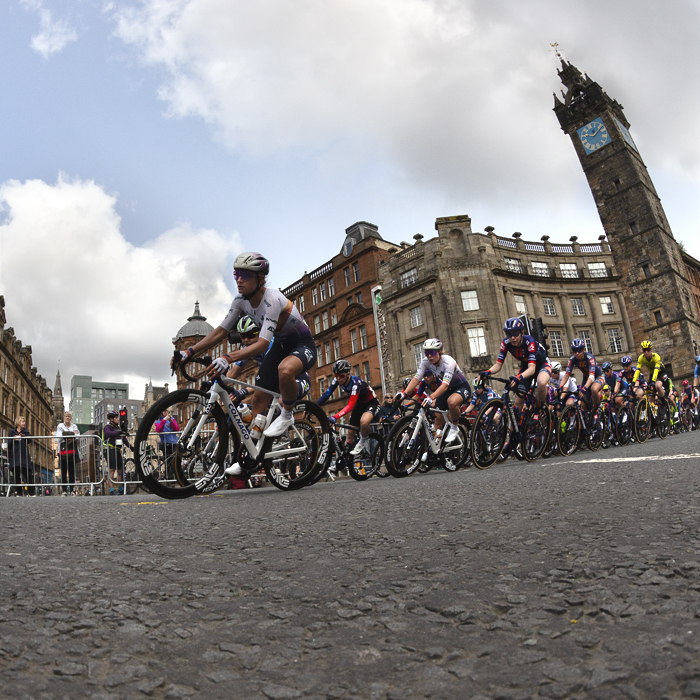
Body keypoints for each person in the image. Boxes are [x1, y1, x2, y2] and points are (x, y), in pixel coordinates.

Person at [172, 253, 316, 450]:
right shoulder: (240, 301)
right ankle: (251, 456)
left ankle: (287, 414)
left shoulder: (272, 299)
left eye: (245, 275)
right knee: (257, 401)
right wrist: (188, 352)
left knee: (285, 370)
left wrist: (227, 357)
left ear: (260, 278)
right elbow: (220, 332)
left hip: (300, 345)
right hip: (280, 348)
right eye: (236, 274)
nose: (239, 279)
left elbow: (264, 344)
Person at [396, 338, 469, 443]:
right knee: (438, 422)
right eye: (426, 353)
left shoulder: (448, 362)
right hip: (447, 390)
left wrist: (431, 397)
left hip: (460, 387)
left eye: (432, 352)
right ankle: (437, 444)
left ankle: (454, 427)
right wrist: (404, 394)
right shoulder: (425, 362)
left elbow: (444, 385)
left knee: (452, 402)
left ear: (439, 352)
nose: (429, 356)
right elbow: (416, 379)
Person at [482, 318, 551, 413]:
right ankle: (517, 425)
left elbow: (532, 369)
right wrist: (486, 372)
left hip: (542, 364)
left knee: (541, 382)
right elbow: (498, 365)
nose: (512, 338)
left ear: (522, 333)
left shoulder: (529, 342)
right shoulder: (506, 343)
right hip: (526, 366)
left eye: (515, 334)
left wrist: (519, 377)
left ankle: (538, 409)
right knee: (518, 399)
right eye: (509, 335)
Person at [317, 359, 381, 455]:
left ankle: (362, 442)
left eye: (341, 376)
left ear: (348, 374)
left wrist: (335, 417)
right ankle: (344, 459)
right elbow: (327, 394)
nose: (338, 378)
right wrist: (314, 407)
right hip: (359, 404)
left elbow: (350, 405)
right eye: (336, 376)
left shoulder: (356, 384)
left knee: (364, 422)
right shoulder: (337, 380)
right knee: (350, 434)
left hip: (371, 403)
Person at [558, 338, 605, 409]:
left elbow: (592, 376)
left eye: (579, 350)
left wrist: (585, 388)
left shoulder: (590, 357)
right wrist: (560, 386)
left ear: (583, 350)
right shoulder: (572, 359)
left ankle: (597, 408)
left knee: (594, 389)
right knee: (583, 404)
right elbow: (567, 374)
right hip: (586, 378)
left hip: (597, 376)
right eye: (574, 351)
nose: (577, 353)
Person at [103, 411, 130, 495]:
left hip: (117, 450)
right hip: (109, 449)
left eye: (118, 417)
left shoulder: (118, 428)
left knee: (120, 470)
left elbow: (124, 439)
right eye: (116, 418)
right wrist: (119, 432)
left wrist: (132, 447)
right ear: (111, 419)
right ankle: (111, 490)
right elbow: (108, 433)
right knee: (111, 470)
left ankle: (120, 488)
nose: (118, 419)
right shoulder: (107, 427)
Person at [55, 411, 80, 495]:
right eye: (66, 416)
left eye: (69, 416)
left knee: (72, 471)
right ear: (64, 417)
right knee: (63, 471)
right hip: (62, 451)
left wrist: (67, 435)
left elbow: (77, 437)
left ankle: (72, 490)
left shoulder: (74, 426)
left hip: (72, 451)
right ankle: (64, 490)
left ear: (71, 418)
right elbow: (59, 437)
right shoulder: (60, 426)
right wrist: (72, 434)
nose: (67, 418)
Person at [8, 416, 34, 496]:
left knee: (28, 475)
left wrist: (24, 436)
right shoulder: (12, 431)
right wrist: (14, 439)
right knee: (16, 476)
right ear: (18, 422)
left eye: (24, 422)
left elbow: (30, 440)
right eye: (23, 422)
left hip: (24, 456)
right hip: (15, 456)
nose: (24, 423)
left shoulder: (26, 431)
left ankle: (32, 493)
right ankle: (19, 493)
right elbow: (8, 443)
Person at [154, 409, 179, 475]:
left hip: (174, 442)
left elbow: (176, 429)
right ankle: (169, 476)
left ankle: (176, 475)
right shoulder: (157, 421)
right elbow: (159, 429)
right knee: (168, 462)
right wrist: (164, 420)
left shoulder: (172, 419)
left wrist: (171, 421)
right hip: (166, 444)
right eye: (164, 411)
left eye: (166, 411)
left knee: (176, 461)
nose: (166, 413)